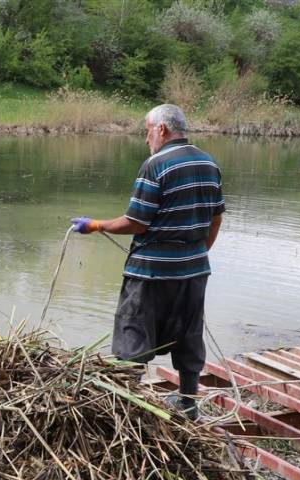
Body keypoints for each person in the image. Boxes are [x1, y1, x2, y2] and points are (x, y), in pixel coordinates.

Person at [70, 104, 224, 420]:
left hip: (151, 274)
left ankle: (128, 409)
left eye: (147, 130)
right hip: (194, 272)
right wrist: (195, 254)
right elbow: (216, 219)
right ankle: (188, 405)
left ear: (162, 130)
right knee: (188, 336)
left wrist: (95, 225)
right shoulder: (210, 163)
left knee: (133, 335)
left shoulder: (156, 165)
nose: (146, 139)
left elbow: (136, 222)